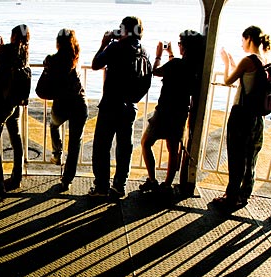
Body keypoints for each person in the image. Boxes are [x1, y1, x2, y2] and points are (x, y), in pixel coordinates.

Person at [140, 30, 205, 194]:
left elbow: (156, 71)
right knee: (173, 148)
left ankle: (152, 180)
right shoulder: (194, 68)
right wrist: (171, 54)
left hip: (164, 111)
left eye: (180, 43)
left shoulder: (175, 64)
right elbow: (176, 69)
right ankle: (167, 184)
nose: (179, 46)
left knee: (146, 142)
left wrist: (158, 55)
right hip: (180, 112)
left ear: (185, 47)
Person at [89, 16, 147, 200]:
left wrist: (104, 43)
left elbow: (95, 64)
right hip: (130, 106)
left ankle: (101, 187)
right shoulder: (142, 51)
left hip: (111, 105)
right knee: (124, 148)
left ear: (124, 30)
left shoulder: (115, 48)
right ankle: (119, 187)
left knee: (101, 147)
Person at [212, 26, 270, 210]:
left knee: (236, 157)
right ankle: (244, 195)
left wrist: (227, 63)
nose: (241, 43)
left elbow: (228, 80)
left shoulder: (247, 60)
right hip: (256, 117)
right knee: (250, 157)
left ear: (249, 39)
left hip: (241, 115)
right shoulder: (264, 60)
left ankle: (230, 197)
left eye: (243, 39)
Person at [0, 24, 30, 199]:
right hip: (14, 103)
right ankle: (16, 177)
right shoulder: (25, 52)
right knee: (15, 138)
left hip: (0, 103)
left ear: (14, 36)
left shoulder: (5, 49)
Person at [44, 28, 88, 191]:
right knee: (75, 143)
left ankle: (57, 154)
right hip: (79, 104)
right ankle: (67, 180)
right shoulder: (77, 57)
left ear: (58, 43)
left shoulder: (52, 59)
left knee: (54, 125)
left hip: (61, 104)